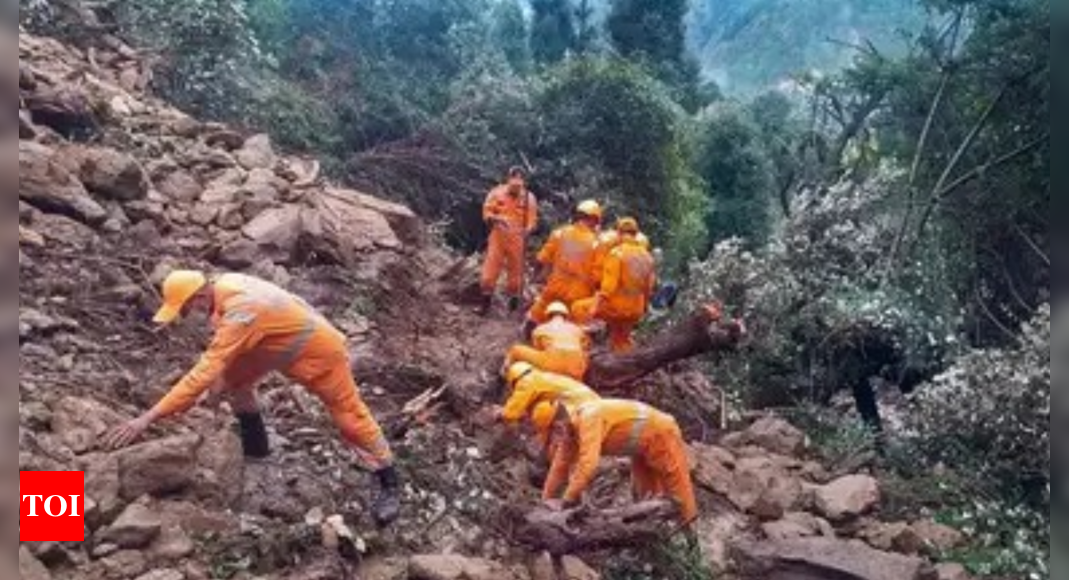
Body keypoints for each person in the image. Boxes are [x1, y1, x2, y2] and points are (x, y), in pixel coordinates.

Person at [104, 270, 401, 527]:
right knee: (234, 383)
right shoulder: (223, 289)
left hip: (318, 352)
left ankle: (388, 478)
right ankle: (257, 449)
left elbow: (204, 371)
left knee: (348, 416)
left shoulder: (241, 310)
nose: (188, 316)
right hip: (273, 343)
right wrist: (218, 384)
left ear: (199, 296)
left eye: (186, 309)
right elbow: (221, 361)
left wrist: (148, 418)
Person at [541, 399, 698, 524]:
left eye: (555, 430)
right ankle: (649, 543)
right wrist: (546, 500)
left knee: (679, 490)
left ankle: (691, 541)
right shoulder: (569, 433)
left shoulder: (588, 419)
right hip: (639, 448)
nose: (556, 438)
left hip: (661, 433)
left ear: (562, 421)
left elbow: (588, 464)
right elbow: (559, 467)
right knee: (645, 496)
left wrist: (567, 500)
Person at [572, 218, 656, 352]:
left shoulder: (617, 253)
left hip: (617, 307)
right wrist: (644, 308)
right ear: (635, 233)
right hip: (636, 310)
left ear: (619, 233)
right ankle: (625, 365)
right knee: (621, 340)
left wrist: (593, 309)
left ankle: (581, 349)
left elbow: (607, 290)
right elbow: (649, 288)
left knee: (578, 308)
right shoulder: (647, 257)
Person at [524, 200, 602, 334]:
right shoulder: (597, 243)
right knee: (576, 323)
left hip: (555, 287)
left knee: (540, 308)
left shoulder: (559, 233)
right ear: (594, 219)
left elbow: (541, 259)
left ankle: (534, 323)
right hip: (579, 295)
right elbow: (598, 277)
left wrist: (535, 277)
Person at [480, 167, 539, 315]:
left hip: (517, 238)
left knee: (516, 275)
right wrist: (497, 218)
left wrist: (528, 230)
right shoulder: (496, 192)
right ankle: (485, 304)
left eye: (519, 187)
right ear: (508, 180)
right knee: (489, 272)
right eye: (513, 186)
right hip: (498, 236)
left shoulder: (529, 198)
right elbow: (486, 212)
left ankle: (513, 307)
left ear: (523, 183)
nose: (516, 189)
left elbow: (532, 219)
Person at [504, 302, 591, 380]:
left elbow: (538, 348)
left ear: (548, 316)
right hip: (576, 369)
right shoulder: (577, 329)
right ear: (566, 316)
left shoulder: (540, 329)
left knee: (515, 350)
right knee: (584, 355)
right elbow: (586, 346)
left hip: (552, 365)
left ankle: (505, 376)